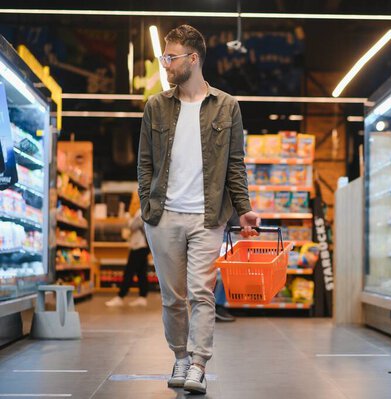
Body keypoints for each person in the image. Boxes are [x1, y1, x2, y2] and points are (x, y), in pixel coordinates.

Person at [137, 24, 260, 395]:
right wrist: (147, 203)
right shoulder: (156, 106)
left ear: (193, 59)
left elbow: (235, 164)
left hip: (208, 217)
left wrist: (244, 210)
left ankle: (199, 363)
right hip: (163, 216)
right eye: (165, 57)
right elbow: (145, 163)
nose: (166, 64)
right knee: (173, 296)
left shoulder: (227, 106)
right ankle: (179, 355)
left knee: (202, 292)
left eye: (170, 57)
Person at [105, 190, 150, 307]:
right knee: (141, 273)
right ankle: (142, 297)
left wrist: (128, 226)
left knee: (129, 272)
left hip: (139, 246)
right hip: (141, 245)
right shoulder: (140, 211)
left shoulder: (140, 211)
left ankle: (120, 297)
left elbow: (133, 226)